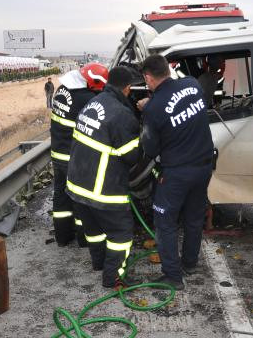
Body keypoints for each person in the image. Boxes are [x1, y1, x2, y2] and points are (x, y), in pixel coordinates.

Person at [137, 54, 214, 291]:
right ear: (168, 70)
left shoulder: (154, 108)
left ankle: (172, 275)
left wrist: (146, 110)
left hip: (176, 173)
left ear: (148, 78)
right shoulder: (192, 84)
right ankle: (190, 263)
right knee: (193, 217)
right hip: (204, 166)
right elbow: (182, 105)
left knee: (165, 222)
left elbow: (149, 149)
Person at [67, 66, 140, 289]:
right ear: (127, 88)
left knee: (95, 231)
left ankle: (99, 263)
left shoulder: (93, 102)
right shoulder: (122, 114)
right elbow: (131, 156)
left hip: (77, 185)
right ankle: (112, 277)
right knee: (122, 234)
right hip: (102, 190)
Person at [50, 63, 108, 247]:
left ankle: (63, 237)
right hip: (72, 157)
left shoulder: (62, 89)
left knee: (60, 196)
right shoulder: (84, 98)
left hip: (57, 152)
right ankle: (84, 239)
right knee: (80, 199)